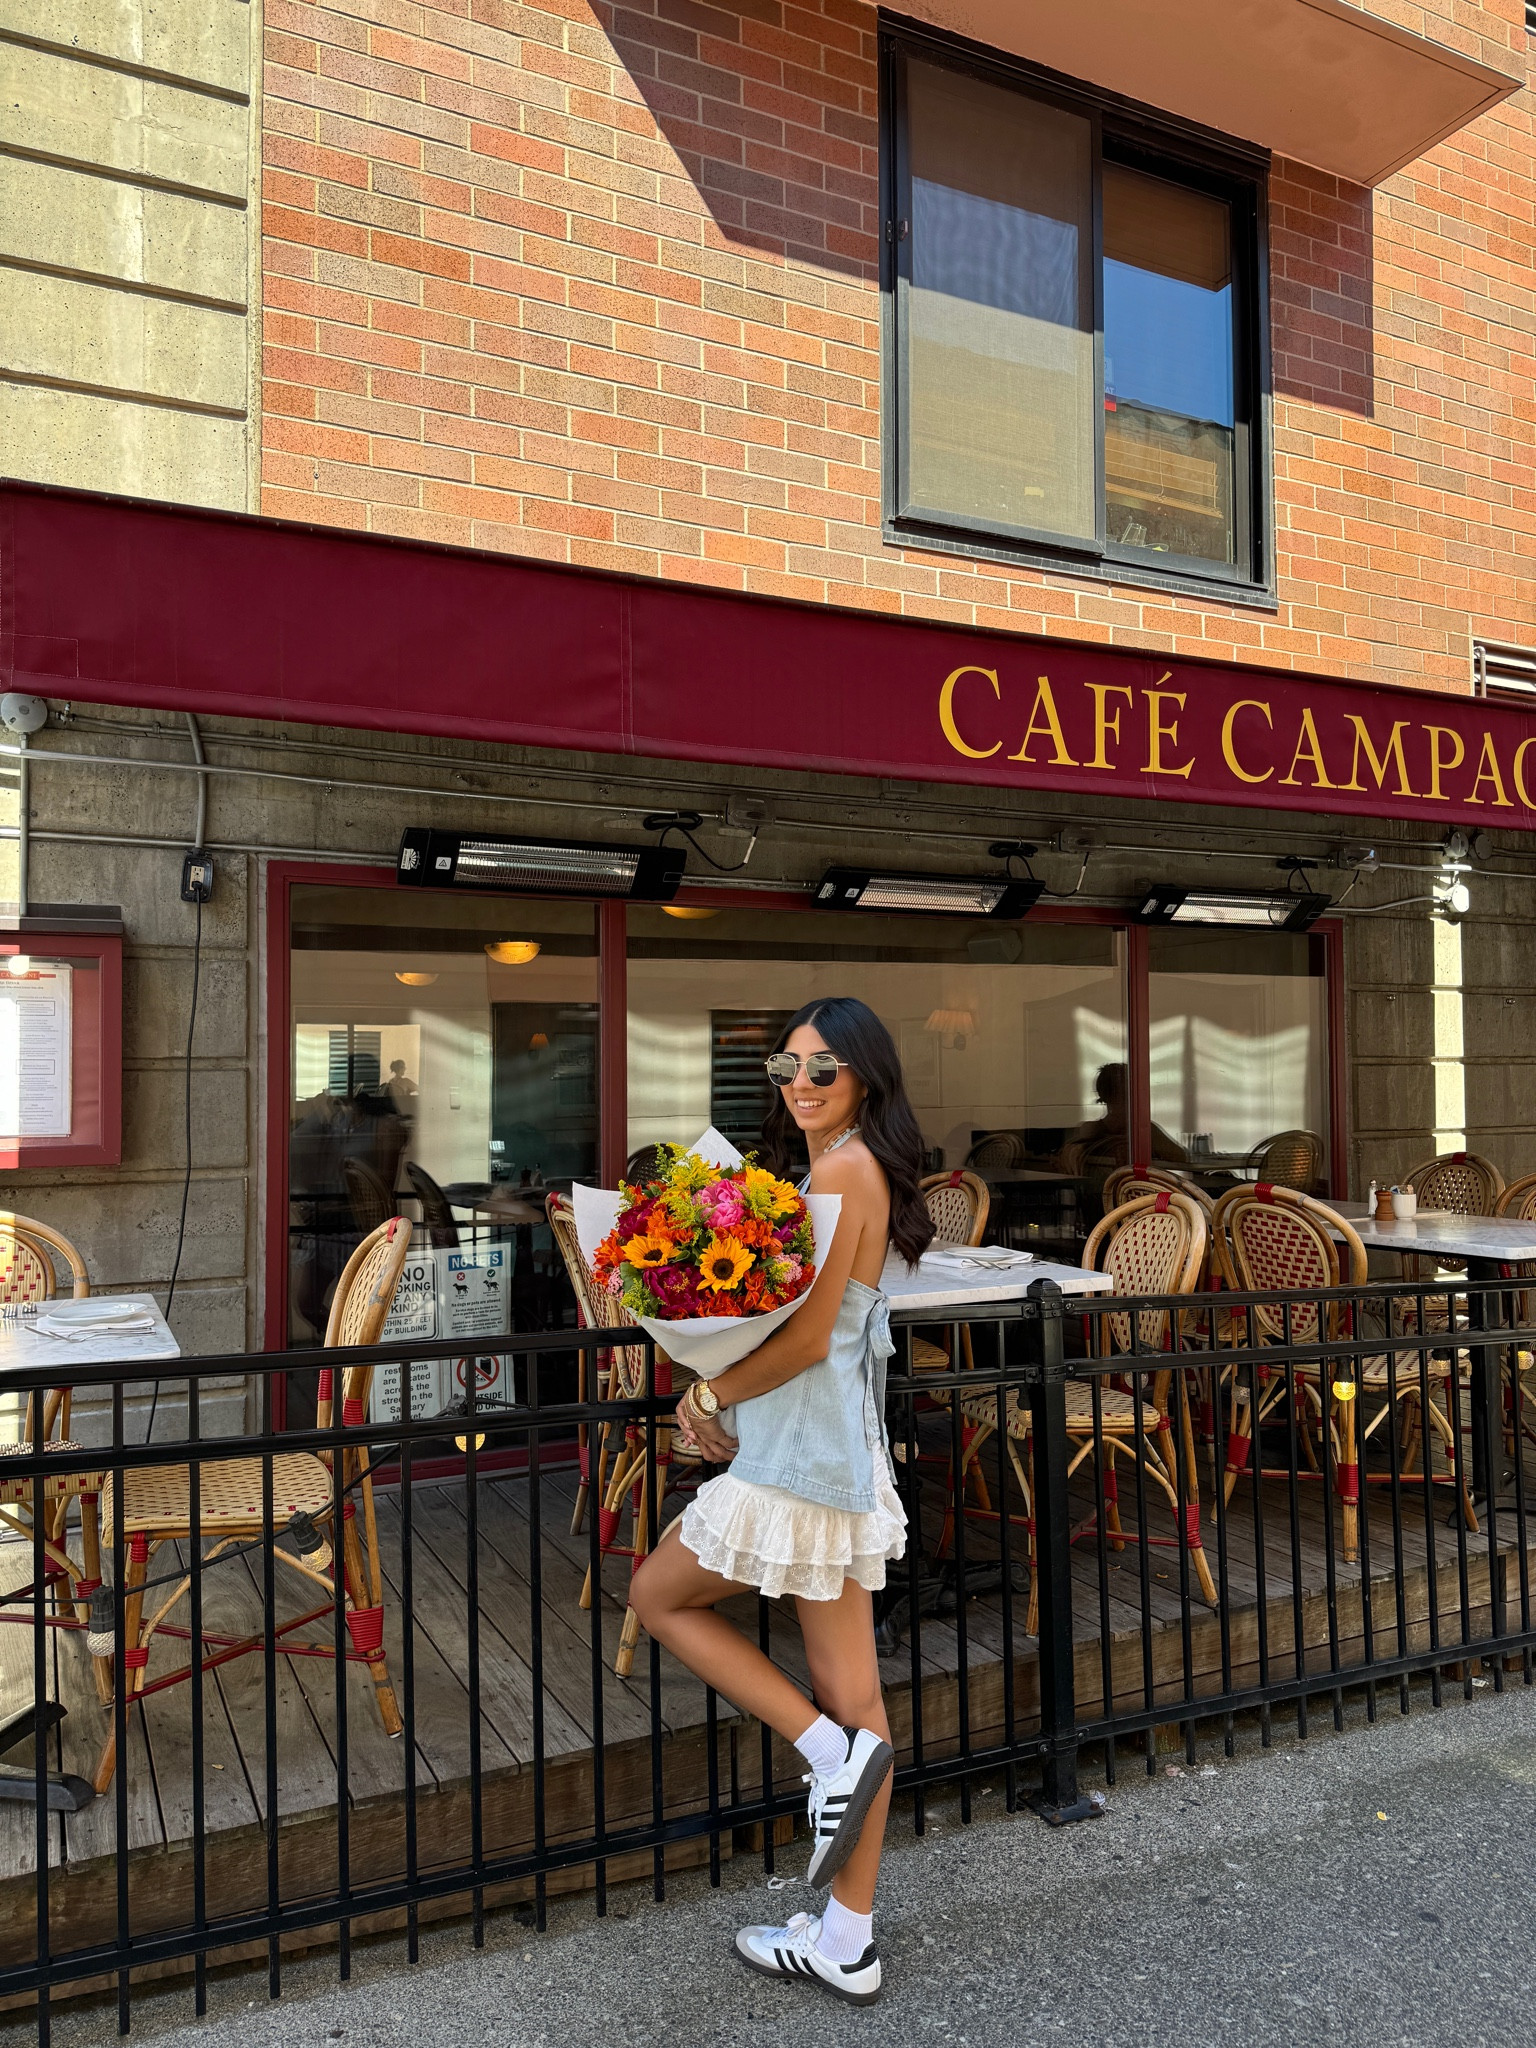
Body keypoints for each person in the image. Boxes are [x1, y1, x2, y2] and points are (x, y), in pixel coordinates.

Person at [630, 996, 934, 2007]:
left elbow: (806, 1340)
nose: (801, 1084)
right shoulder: (843, 1164)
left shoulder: (846, 1168)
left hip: (803, 1458)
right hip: (825, 1453)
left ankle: (818, 1756)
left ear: (866, 1080)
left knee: (659, 1595)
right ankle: (847, 1931)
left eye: (824, 1069)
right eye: (788, 1066)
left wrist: (709, 1388)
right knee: (858, 1702)